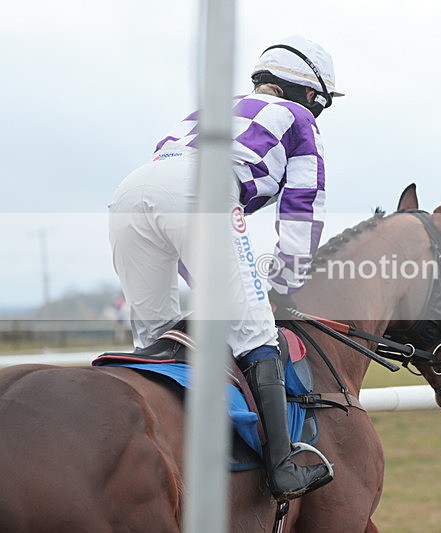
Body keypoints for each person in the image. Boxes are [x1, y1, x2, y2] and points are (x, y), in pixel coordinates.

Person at [108, 35, 343, 500]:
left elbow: (188, 234)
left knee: (153, 334)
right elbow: (302, 204)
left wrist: (235, 285)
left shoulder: (210, 110)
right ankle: (282, 467)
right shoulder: (299, 120)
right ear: (310, 95)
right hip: (200, 190)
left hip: (130, 193)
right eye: (322, 106)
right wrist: (286, 280)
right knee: (256, 331)